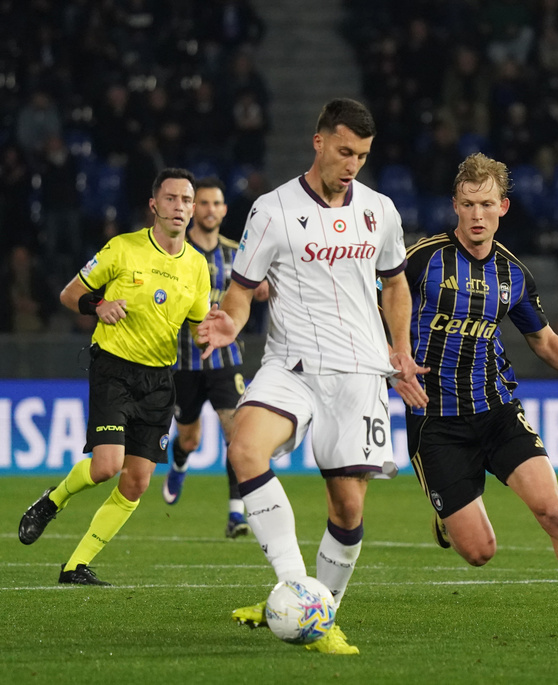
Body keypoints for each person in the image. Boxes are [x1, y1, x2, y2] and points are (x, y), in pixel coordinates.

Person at [195, 98, 428, 655]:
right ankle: (297, 591)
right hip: (292, 365)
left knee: (348, 508)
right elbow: (242, 289)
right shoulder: (271, 210)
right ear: (319, 142)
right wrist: (231, 321)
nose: (353, 164)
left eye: (362, 155)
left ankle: (323, 613)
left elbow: (395, 284)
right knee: (244, 448)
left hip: (360, 374)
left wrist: (400, 348)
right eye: (345, 151)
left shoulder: (380, 210)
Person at [403, 152, 558, 645]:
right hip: (437, 420)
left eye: (487, 204)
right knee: (480, 552)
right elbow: (377, 306)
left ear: (503, 207)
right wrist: (392, 358)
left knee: (553, 510)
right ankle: (448, 517)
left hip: (497, 410)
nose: (477, 215)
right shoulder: (422, 259)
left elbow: (542, 339)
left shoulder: (512, 274)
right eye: (468, 204)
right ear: (455, 205)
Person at [18, 168, 230, 585]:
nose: (180, 207)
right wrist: (98, 306)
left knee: (136, 483)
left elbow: (197, 323)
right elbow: (69, 294)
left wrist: (210, 332)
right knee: (106, 466)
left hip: (159, 379)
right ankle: (52, 501)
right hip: (114, 368)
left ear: (192, 211)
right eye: (171, 198)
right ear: (154, 205)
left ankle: (75, 566)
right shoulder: (123, 248)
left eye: (186, 200)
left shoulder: (197, 266)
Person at [162, 176, 268, 541]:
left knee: (236, 435)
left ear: (224, 210)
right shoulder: (174, 252)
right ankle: (179, 462)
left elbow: (259, 288)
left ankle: (236, 513)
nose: (210, 210)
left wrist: (264, 288)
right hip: (184, 362)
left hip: (226, 360)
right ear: (194, 210)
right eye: (203, 203)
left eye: (216, 203)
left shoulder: (238, 253)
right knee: (189, 438)